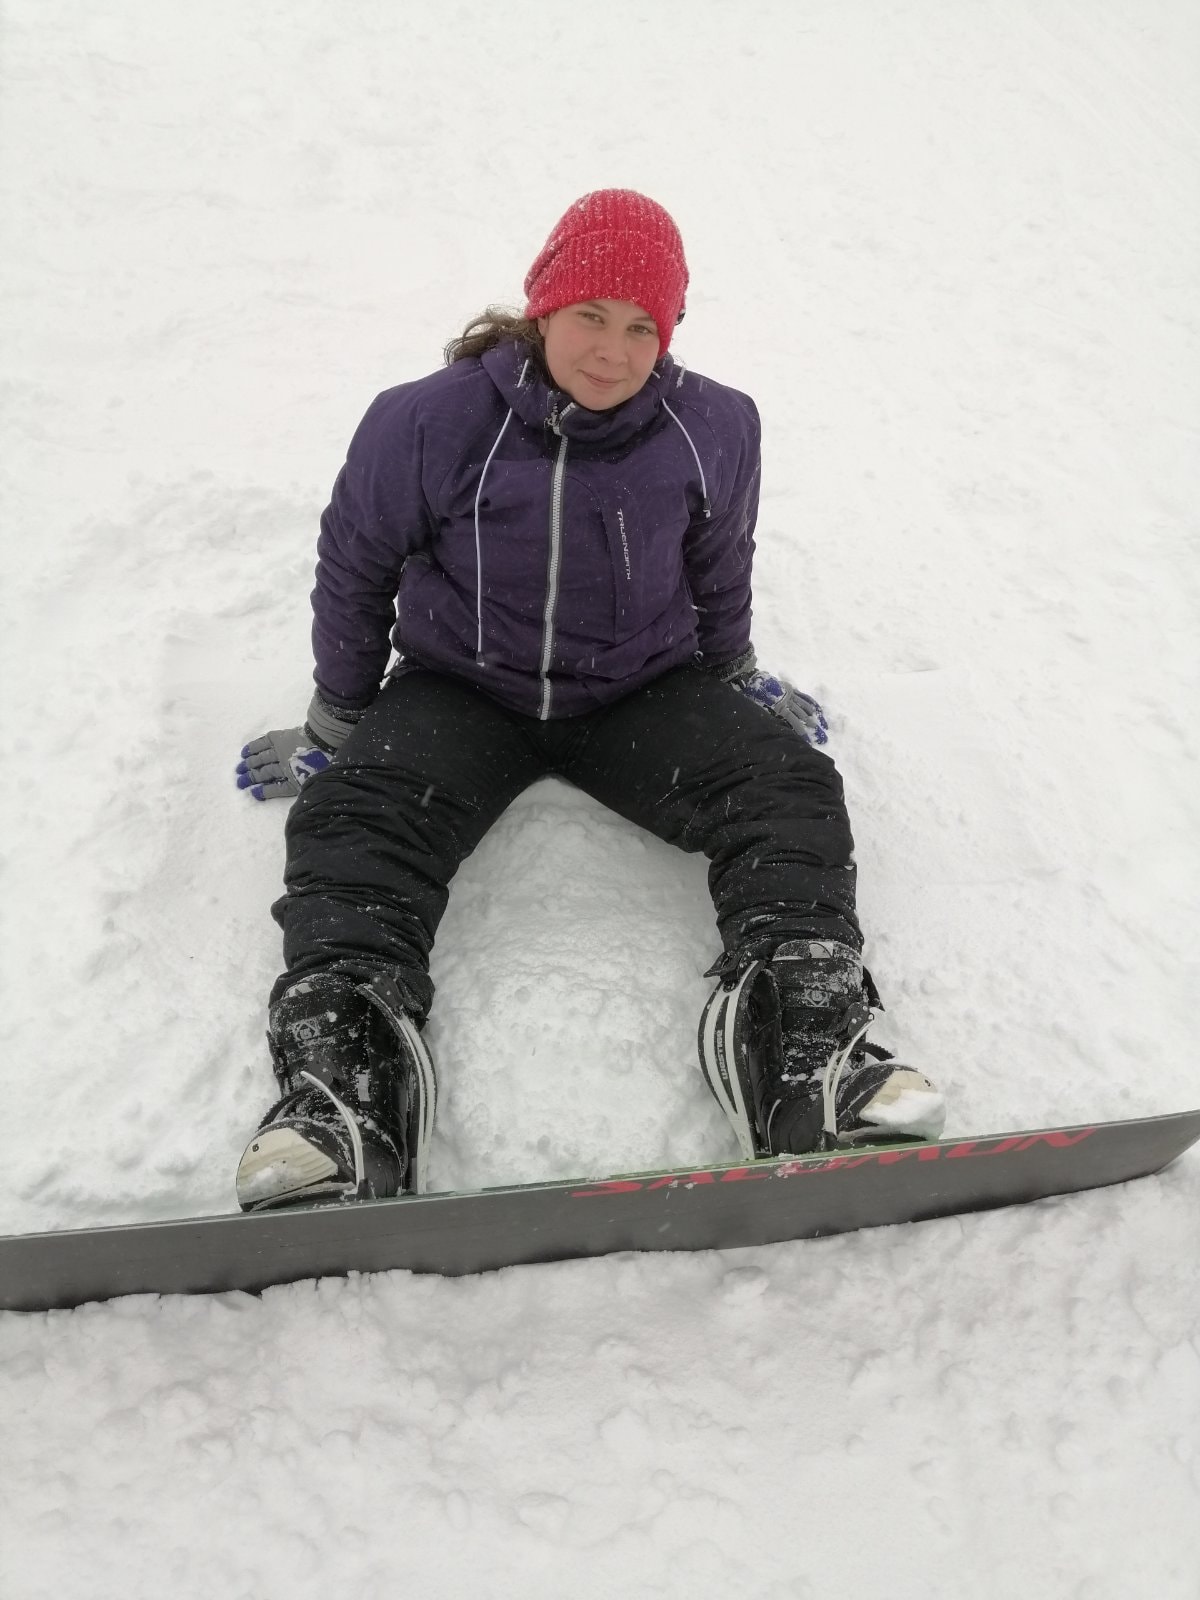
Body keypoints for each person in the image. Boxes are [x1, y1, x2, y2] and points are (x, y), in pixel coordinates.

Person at [233, 189, 945, 1212]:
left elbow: (720, 559)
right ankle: (345, 1100)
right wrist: (337, 718)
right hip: (462, 691)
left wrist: (735, 673)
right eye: (591, 316)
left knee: (787, 788)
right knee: (353, 824)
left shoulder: (715, 425)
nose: (613, 351)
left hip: (637, 692)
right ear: (543, 307)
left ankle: (808, 1057)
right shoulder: (428, 421)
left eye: (643, 326)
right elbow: (357, 565)